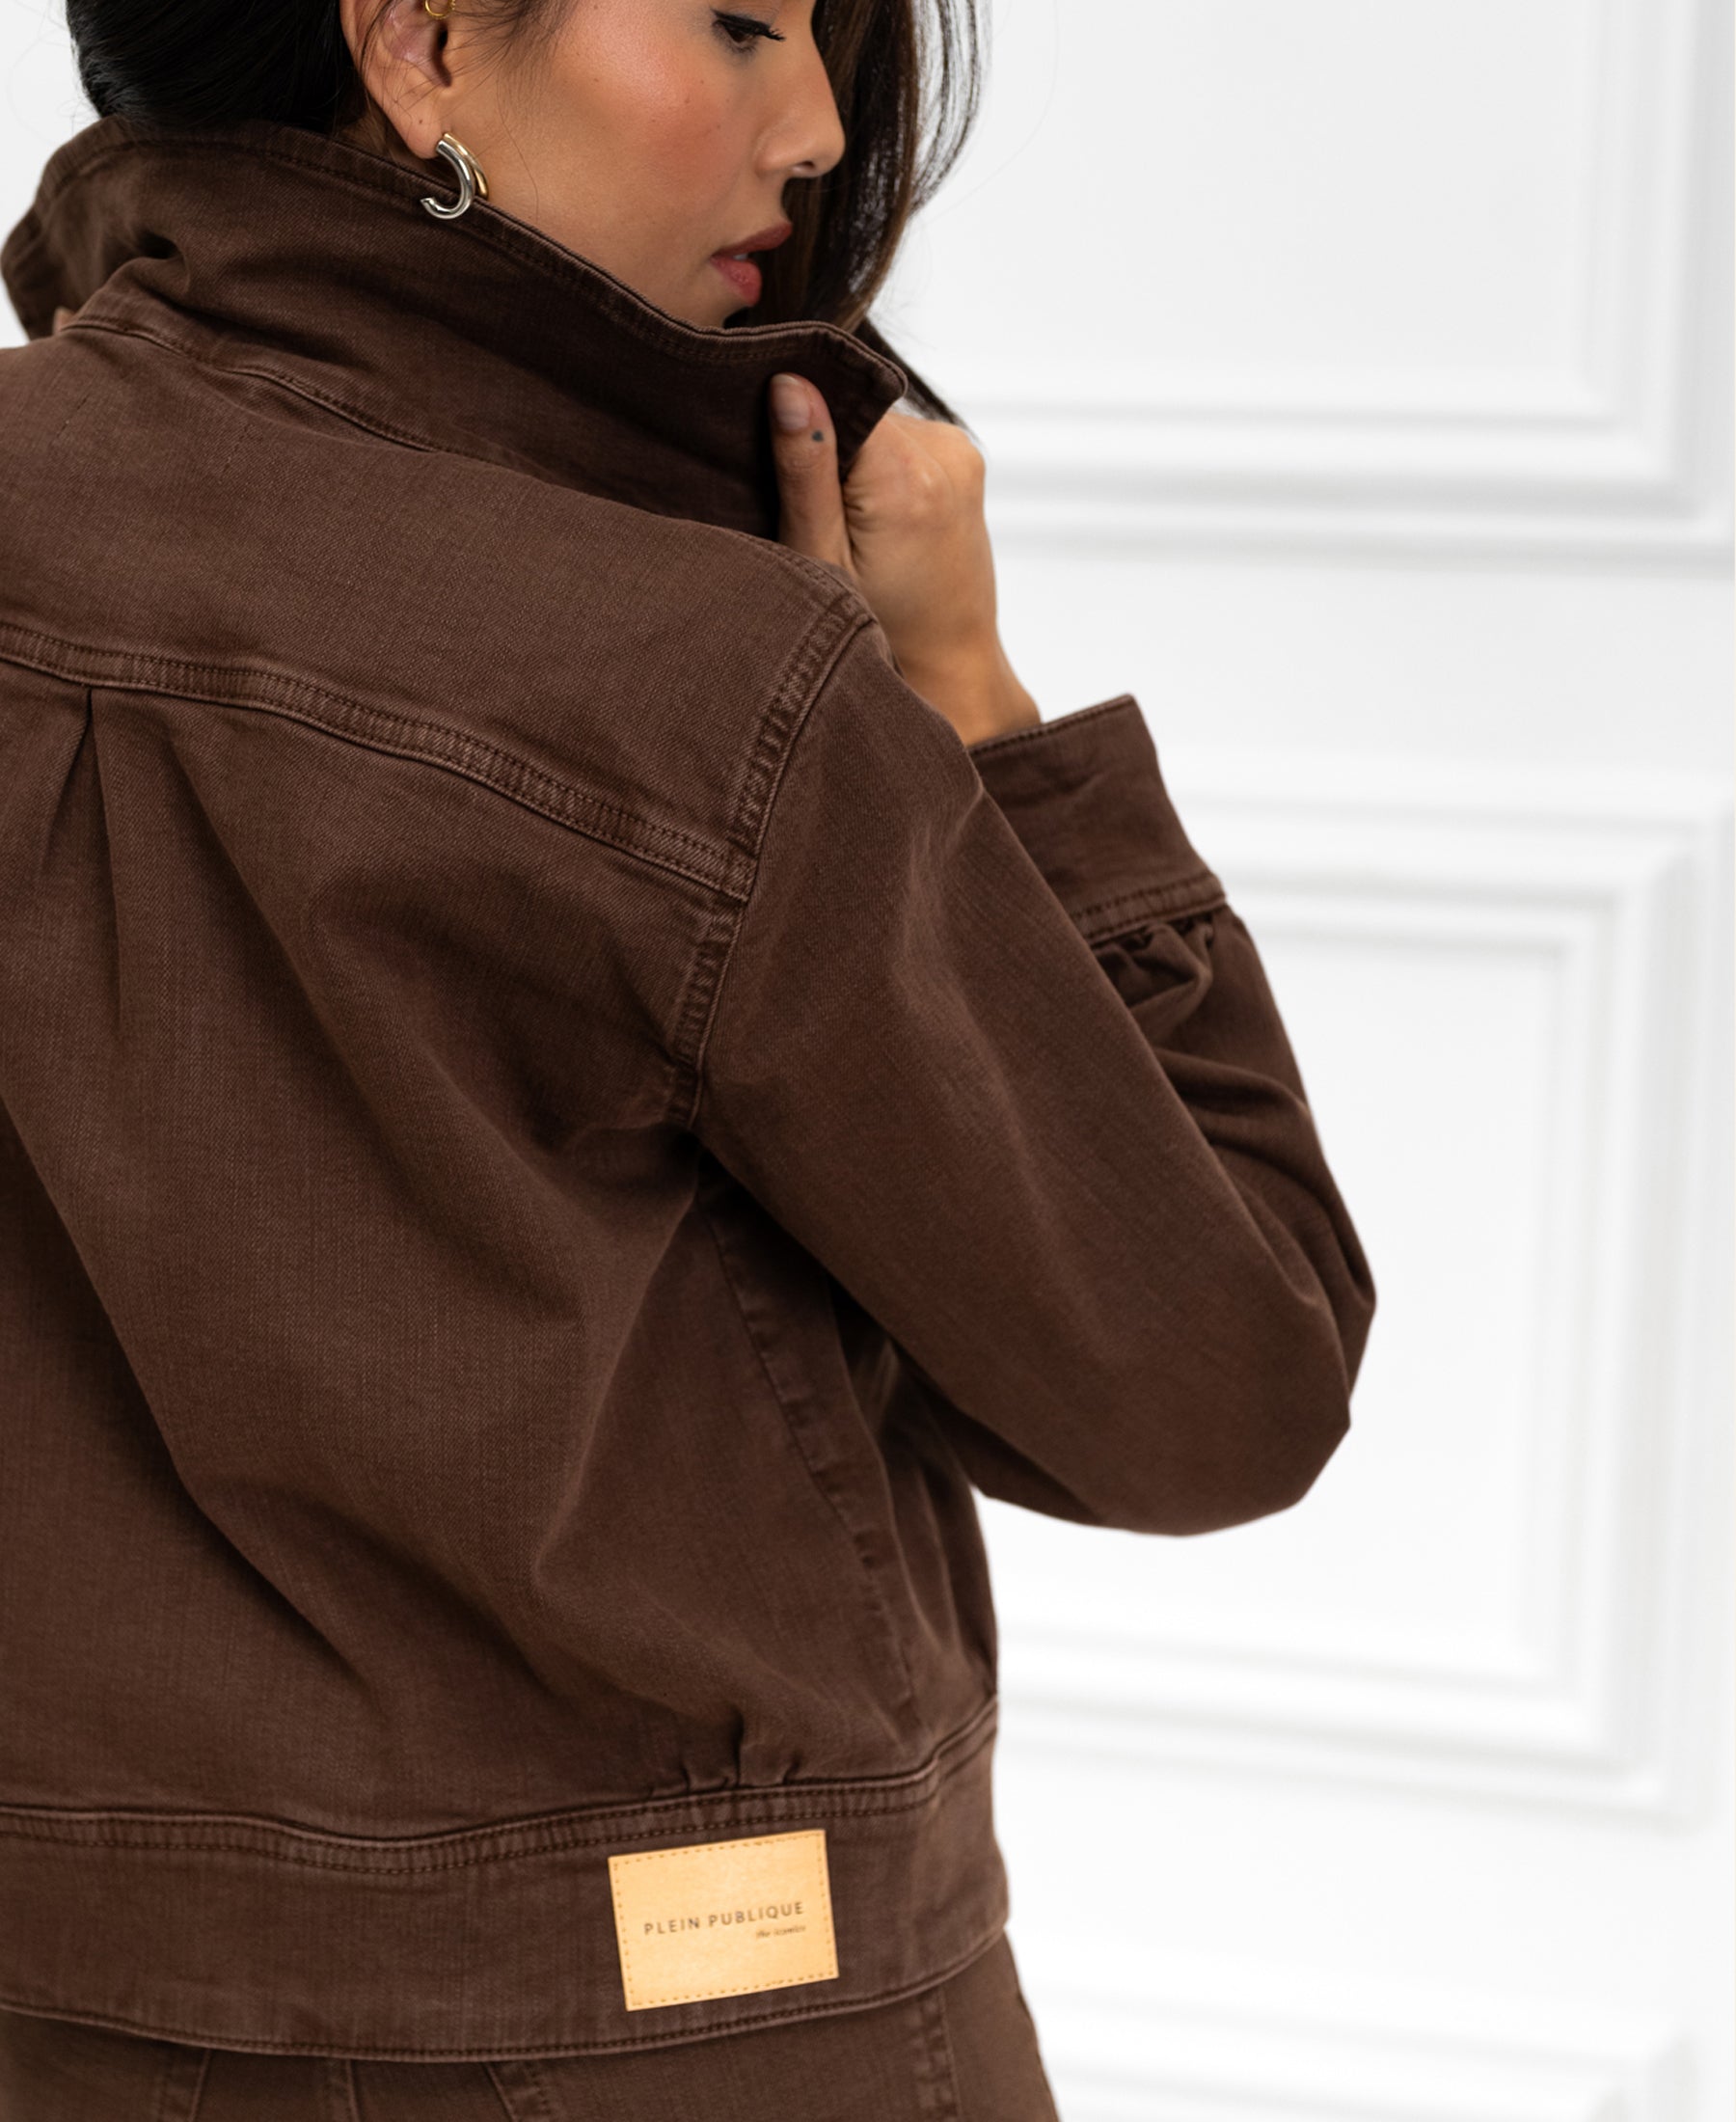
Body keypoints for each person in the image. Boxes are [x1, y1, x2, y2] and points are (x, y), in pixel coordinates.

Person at [0, 0, 1378, 2111]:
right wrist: (971, 702)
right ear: (425, 39)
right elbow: (1220, 1385)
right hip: (686, 2034)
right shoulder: (701, 681)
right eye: (739, 20)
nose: (822, 127)